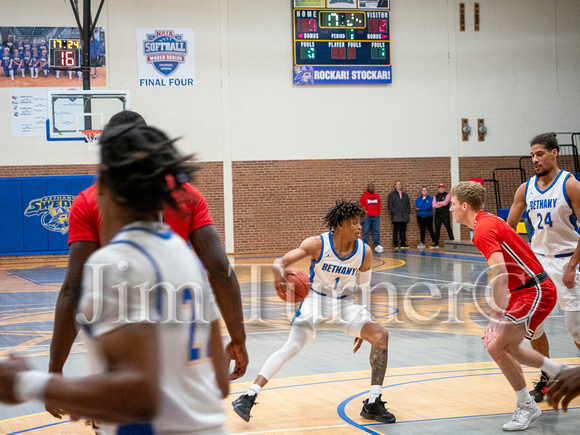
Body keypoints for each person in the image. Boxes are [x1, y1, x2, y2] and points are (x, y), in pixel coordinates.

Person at [0, 123, 230, 434]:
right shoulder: (183, 256)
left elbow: (138, 399)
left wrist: (28, 383)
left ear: (103, 184)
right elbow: (218, 380)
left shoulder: (114, 263)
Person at [47, 111, 248, 419]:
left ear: (105, 183)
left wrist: (46, 377)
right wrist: (237, 337)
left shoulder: (105, 251)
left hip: (136, 412)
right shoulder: (186, 259)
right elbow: (221, 271)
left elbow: (73, 291)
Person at [232, 200, 395, 424]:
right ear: (339, 224)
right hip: (315, 300)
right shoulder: (317, 244)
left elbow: (364, 288)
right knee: (292, 347)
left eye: (361, 222)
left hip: (345, 304)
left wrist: (364, 319)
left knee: (380, 336)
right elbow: (280, 262)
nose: (360, 227)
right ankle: (249, 395)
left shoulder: (364, 252)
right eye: (354, 222)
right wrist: (277, 273)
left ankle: (373, 402)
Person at [450, 181, 564, 431]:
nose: (451, 208)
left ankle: (529, 404)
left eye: (453, 203)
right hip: (525, 291)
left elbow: (500, 272)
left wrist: (494, 319)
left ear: (465, 205)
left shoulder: (483, 229)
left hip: (535, 290)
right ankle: (558, 375)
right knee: (502, 348)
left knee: (497, 345)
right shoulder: (484, 223)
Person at [507, 132, 580, 403]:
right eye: (532, 155)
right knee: (532, 326)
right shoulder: (525, 189)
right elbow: (509, 229)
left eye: (539, 154)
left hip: (567, 260)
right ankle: (548, 376)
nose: (535, 160)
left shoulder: (570, 185)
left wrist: (573, 265)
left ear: (554, 153)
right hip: (537, 263)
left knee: (575, 328)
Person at [387, 181, 410, 249]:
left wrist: (407, 212)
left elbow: (408, 205)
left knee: (403, 231)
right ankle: (396, 244)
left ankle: (403, 244)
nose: (399, 185)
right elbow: (390, 205)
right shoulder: (392, 194)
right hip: (396, 216)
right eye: (397, 184)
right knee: (395, 231)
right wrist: (394, 211)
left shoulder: (405, 195)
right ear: (395, 186)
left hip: (404, 216)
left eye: (400, 184)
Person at [360, 182, 383, 253]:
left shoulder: (376, 196)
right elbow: (361, 206)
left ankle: (377, 245)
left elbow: (379, 206)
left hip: (375, 217)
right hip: (367, 217)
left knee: (376, 231)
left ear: (373, 188)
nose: (371, 188)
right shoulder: (364, 196)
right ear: (367, 188)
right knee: (365, 231)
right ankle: (366, 245)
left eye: (372, 187)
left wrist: (377, 214)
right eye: (369, 187)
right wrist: (365, 213)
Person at [432, 183, 454, 249]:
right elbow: (433, 205)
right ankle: (436, 243)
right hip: (438, 215)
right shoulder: (436, 196)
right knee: (437, 229)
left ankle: (452, 241)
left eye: (442, 188)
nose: (441, 189)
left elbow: (445, 203)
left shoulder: (447, 195)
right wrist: (441, 203)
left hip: (445, 215)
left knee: (448, 228)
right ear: (438, 189)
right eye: (440, 188)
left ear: (444, 189)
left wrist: (438, 203)